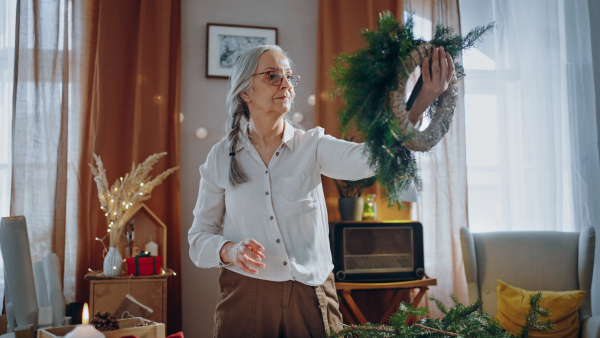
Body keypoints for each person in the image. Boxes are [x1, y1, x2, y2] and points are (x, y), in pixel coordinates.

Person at [188, 44, 454, 337]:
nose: (287, 84)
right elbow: (199, 238)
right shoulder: (220, 156)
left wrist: (419, 104)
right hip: (244, 295)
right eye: (273, 76)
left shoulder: (312, 146)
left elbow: (369, 159)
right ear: (245, 91)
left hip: (311, 293)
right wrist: (230, 250)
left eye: (289, 76)